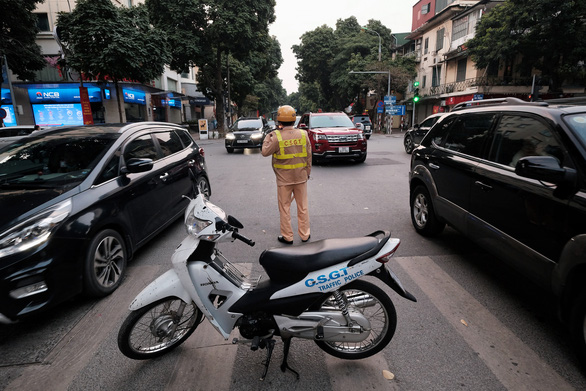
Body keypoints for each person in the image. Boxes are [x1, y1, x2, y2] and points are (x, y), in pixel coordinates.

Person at [262, 105, 312, 244]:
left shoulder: (276, 137)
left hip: (284, 180)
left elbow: (265, 152)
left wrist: (268, 137)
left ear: (279, 121)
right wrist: (307, 172)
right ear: (294, 120)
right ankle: (305, 235)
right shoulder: (303, 134)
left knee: (284, 208)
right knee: (303, 207)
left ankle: (287, 237)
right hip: (301, 177)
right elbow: (309, 156)